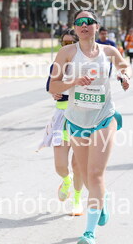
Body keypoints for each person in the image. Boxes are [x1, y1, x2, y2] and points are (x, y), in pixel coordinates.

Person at [49, 9, 130, 244]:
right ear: (75, 28)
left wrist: (124, 76)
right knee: (85, 176)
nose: (84, 25)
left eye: (89, 21)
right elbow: (53, 86)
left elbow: (124, 66)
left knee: (95, 173)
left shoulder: (108, 51)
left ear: (97, 25)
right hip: (76, 121)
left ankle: (89, 233)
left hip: (104, 118)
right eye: (79, 22)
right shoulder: (66, 53)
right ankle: (102, 200)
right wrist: (74, 81)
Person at [39, 29, 85, 217]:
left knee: (78, 164)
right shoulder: (57, 65)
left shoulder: (85, 64)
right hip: (61, 117)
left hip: (81, 115)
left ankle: (77, 200)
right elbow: (50, 85)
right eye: (64, 43)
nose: (66, 47)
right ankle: (67, 180)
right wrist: (54, 92)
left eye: (70, 43)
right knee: (60, 165)